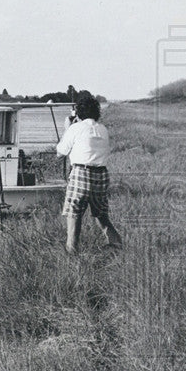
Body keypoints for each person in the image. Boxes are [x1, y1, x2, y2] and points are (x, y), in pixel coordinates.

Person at [55, 95, 123, 254]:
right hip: (101, 175)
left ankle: (72, 252)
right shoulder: (102, 129)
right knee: (101, 215)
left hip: (81, 173)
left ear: (78, 114)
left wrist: (67, 128)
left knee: (74, 215)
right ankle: (116, 244)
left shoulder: (75, 128)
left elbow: (60, 152)